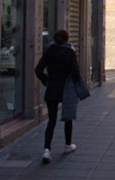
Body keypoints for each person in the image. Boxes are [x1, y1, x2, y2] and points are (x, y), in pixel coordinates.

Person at [34, 29, 81, 164]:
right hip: (66, 89)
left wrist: (46, 80)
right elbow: (76, 72)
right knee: (68, 118)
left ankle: (47, 150)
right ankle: (67, 145)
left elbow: (38, 70)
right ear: (67, 39)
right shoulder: (70, 52)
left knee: (51, 121)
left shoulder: (49, 51)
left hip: (52, 88)